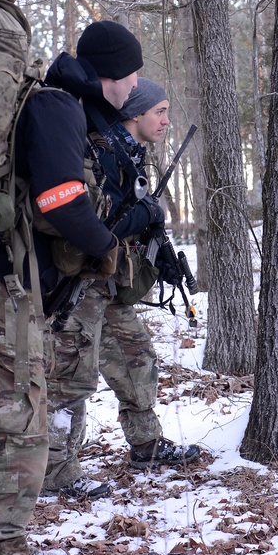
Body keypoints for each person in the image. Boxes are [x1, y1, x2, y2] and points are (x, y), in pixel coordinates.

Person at [0, 18, 135, 555]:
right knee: (15, 428)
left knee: (15, 421)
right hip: (0, 286)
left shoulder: (53, 102)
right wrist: (105, 244)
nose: (134, 89)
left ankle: (9, 550)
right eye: (130, 77)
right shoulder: (57, 107)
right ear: (110, 75)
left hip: (0, 281)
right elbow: (60, 200)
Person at [40, 76, 201, 501]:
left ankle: (147, 445)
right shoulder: (102, 154)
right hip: (79, 284)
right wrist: (145, 213)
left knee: (136, 358)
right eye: (159, 112)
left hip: (110, 284)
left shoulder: (130, 153)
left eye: (167, 111)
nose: (167, 120)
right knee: (71, 377)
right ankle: (55, 470)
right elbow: (96, 222)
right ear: (134, 114)